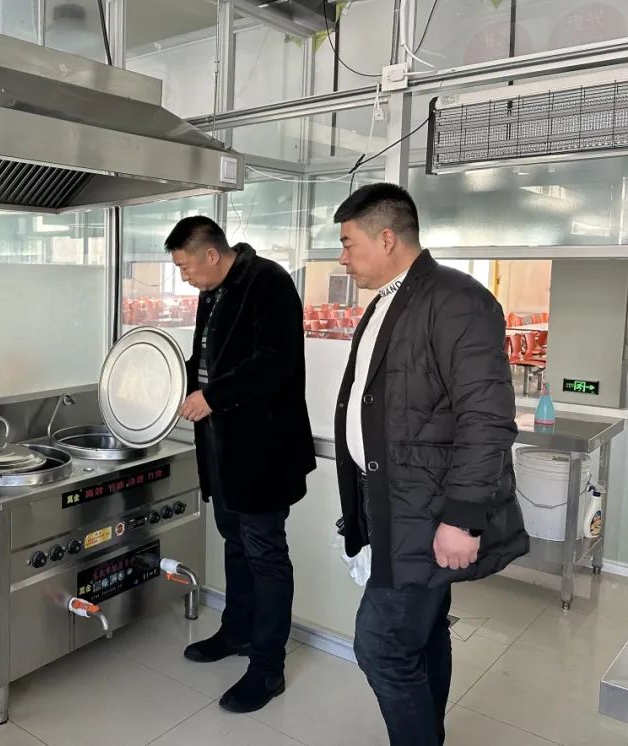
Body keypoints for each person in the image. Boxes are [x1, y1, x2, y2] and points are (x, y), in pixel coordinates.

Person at [332, 183, 529, 746]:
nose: (342, 258)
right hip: (392, 504)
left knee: (380, 646)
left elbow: (487, 417)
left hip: (426, 511)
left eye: (348, 243)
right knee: (422, 634)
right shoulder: (386, 302)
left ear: (386, 238)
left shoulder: (458, 300)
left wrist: (463, 516)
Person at [165, 216, 315, 714]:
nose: (184, 276)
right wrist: (165, 383)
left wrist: (212, 396)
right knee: (235, 544)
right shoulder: (213, 291)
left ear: (211, 254)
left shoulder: (269, 282)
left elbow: (276, 361)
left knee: (266, 555)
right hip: (220, 447)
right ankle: (237, 631)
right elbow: (206, 361)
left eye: (186, 266)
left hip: (262, 451)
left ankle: (268, 667)